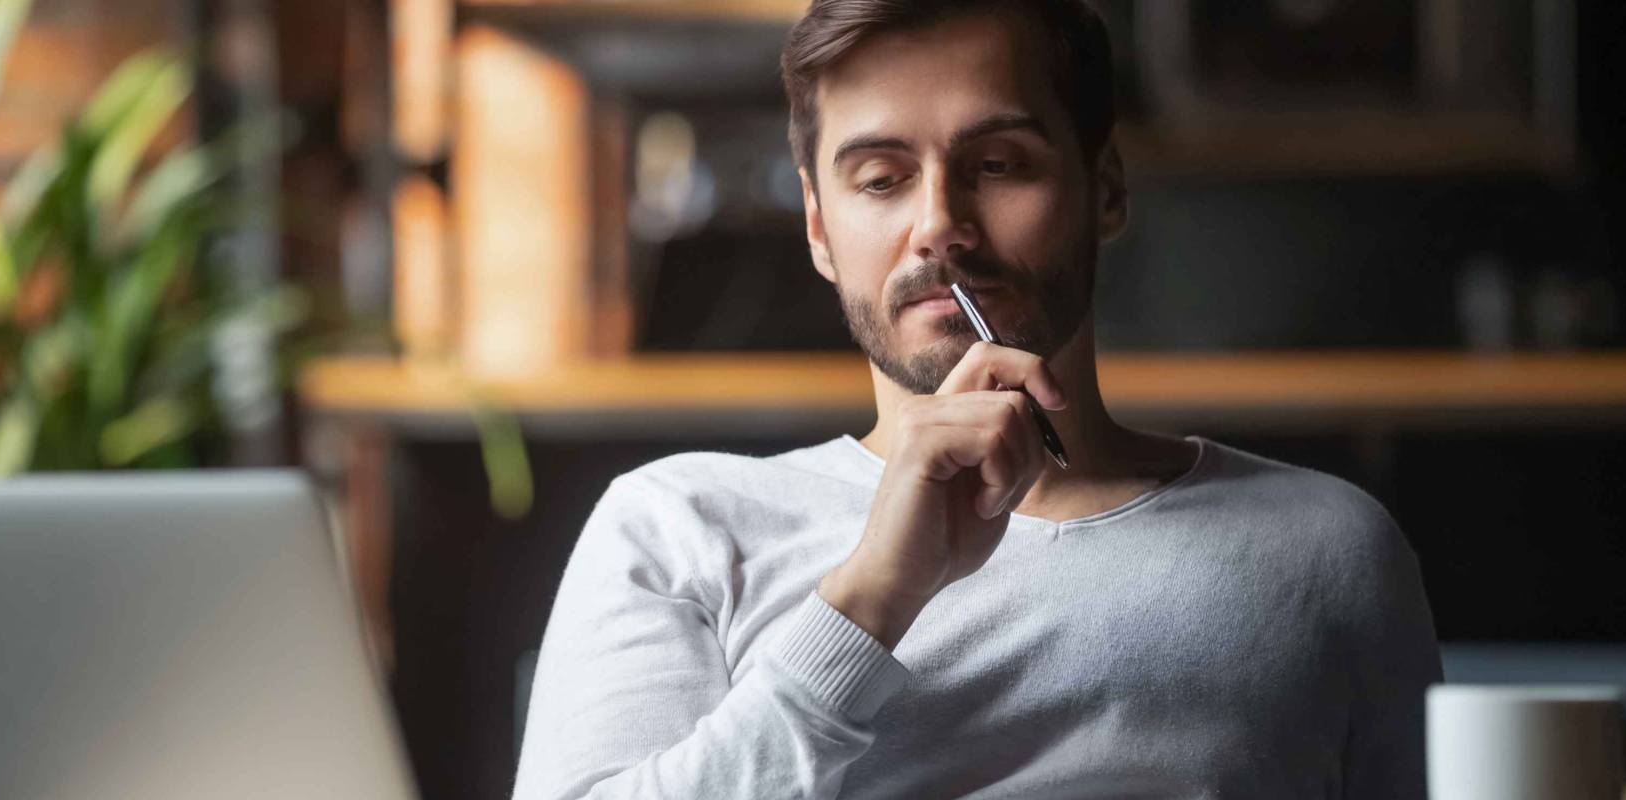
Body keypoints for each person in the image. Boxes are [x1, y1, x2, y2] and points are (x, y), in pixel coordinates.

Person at [512, 0, 1442, 796]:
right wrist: (869, 598)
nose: (940, 228)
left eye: (998, 165)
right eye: (881, 179)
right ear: (819, 227)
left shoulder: (1328, 549)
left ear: (1105, 189)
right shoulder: (678, 530)